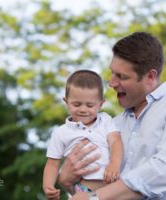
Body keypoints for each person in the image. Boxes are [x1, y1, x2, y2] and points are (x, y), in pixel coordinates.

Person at [58, 32, 166, 200]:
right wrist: (70, 184)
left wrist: (95, 198)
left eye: (121, 76)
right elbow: (104, 188)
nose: (111, 83)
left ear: (150, 76)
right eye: (112, 73)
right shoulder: (113, 125)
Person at [43, 70, 123, 199]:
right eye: (76, 104)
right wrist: (48, 186)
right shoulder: (61, 132)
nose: (83, 109)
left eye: (90, 105)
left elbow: (115, 141)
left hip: (114, 187)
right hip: (84, 190)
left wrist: (114, 163)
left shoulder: (105, 120)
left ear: (101, 104)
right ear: (66, 101)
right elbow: (52, 163)